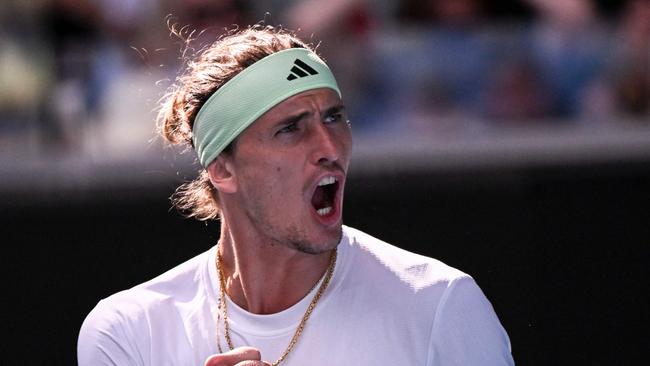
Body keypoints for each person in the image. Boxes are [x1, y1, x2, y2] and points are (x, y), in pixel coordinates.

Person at [78, 25, 514, 366]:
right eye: (291, 128)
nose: (329, 149)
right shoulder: (127, 330)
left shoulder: (443, 306)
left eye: (334, 118)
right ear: (222, 169)